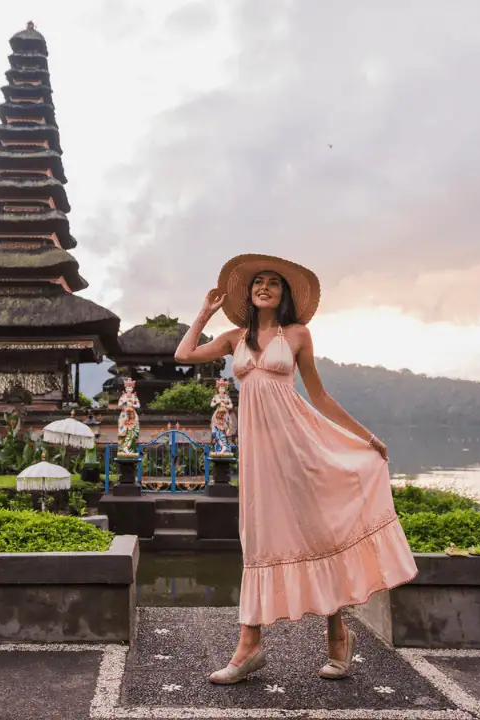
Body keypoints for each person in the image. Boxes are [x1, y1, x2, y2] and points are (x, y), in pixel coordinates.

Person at [173, 253, 418, 684]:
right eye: (257, 283)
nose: (264, 287)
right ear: (249, 295)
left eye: (273, 282)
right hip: (259, 458)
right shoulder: (234, 338)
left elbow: (319, 397)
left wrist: (367, 438)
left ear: (283, 294)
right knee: (261, 539)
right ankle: (249, 647)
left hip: (300, 449)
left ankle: (337, 633)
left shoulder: (298, 335)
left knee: (318, 532)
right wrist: (204, 312)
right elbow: (183, 354)